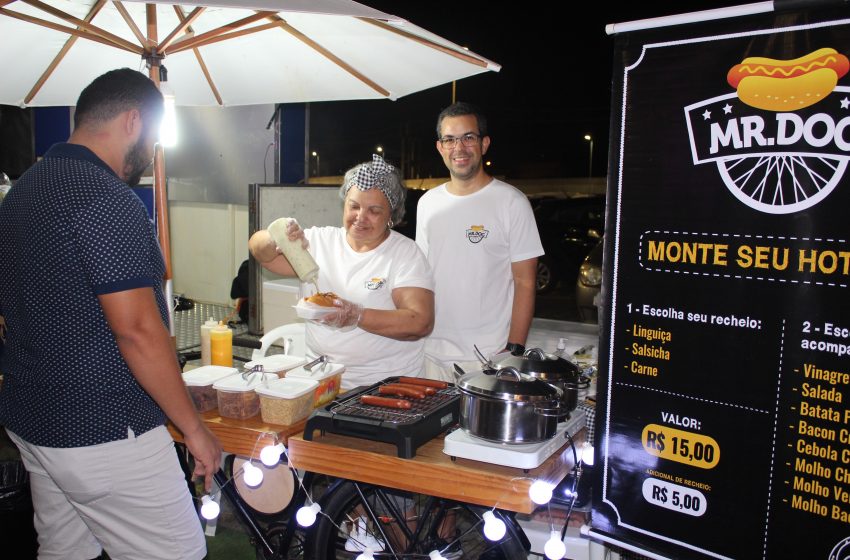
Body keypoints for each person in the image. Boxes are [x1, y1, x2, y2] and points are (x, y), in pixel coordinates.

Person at [0, 68, 222, 560]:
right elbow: (139, 331)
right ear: (133, 121)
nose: (151, 152)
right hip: (103, 427)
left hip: (34, 422)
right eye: (154, 137)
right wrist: (193, 428)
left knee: (65, 552)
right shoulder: (105, 198)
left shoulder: (21, 194)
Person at [249, 154, 434, 390]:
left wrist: (356, 315)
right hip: (322, 382)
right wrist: (278, 236)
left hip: (386, 386)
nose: (360, 217)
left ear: (392, 215)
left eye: (374, 210)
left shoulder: (405, 254)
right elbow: (261, 253)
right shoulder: (318, 241)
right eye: (354, 206)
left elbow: (419, 322)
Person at [416, 102, 544, 381]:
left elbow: (525, 282)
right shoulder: (427, 203)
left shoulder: (512, 202)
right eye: (449, 139)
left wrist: (514, 350)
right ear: (440, 147)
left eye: (468, 138)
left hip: (488, 358)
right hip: (430, 353)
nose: (458, 148)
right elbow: (422, 276)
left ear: (484, 144)